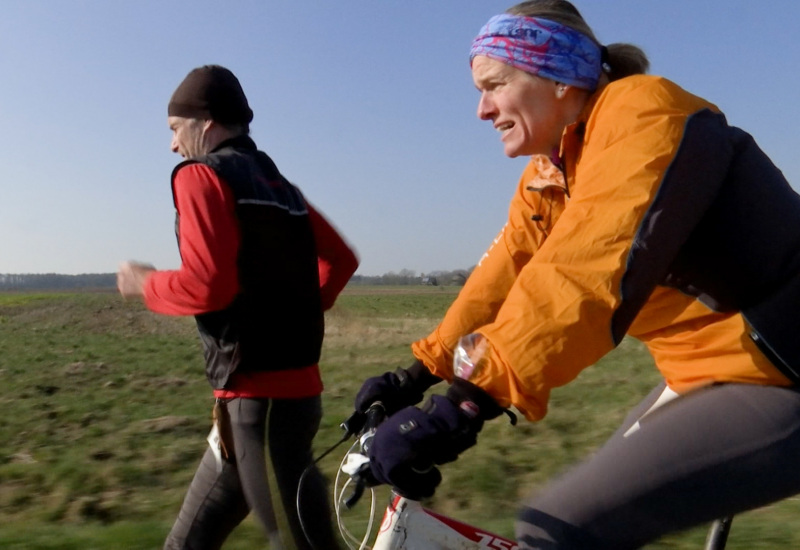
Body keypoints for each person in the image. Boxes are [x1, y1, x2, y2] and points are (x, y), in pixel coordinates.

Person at [353, 1, 800, 548]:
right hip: (709, 372)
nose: (481, 110)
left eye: (493, 85)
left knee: (559, 525)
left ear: (557, 77)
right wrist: (419, 374)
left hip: (780, 372)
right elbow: (505, 276)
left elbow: (585, 272)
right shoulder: (550, 173)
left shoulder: (643, 113)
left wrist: (465, 405)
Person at [117, 64, 357, 550]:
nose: (172, 145)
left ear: (204, 124)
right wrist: (296, 312)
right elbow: (340, 260)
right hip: (291, 401)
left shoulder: (200, 176)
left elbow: (208, 286)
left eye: (173, 129)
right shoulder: (280, 187)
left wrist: (147, 284)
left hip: (256, 407)